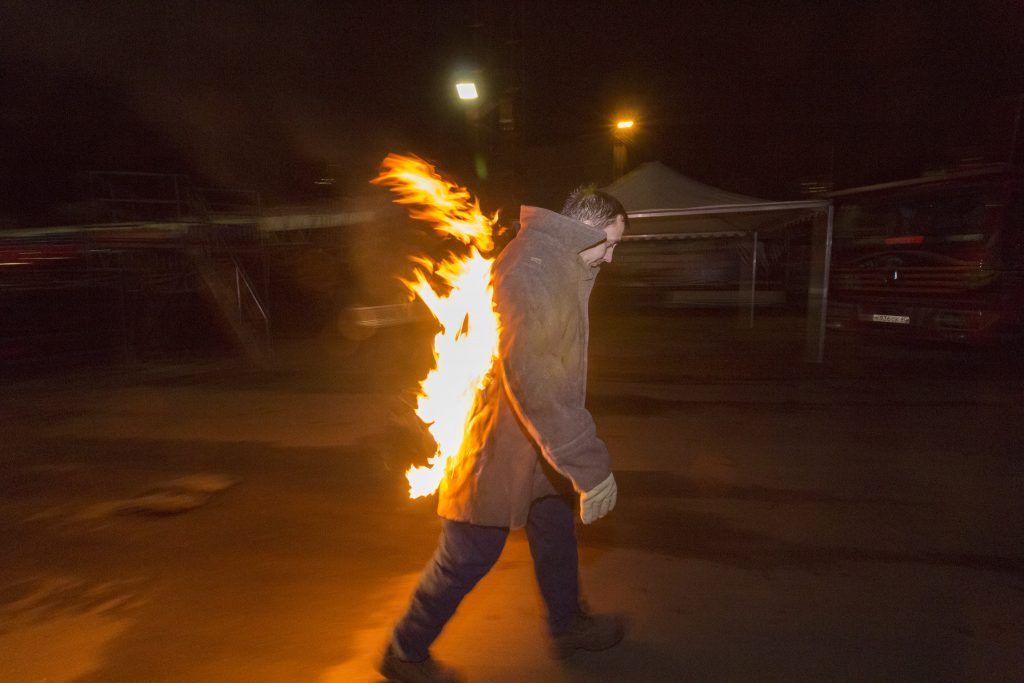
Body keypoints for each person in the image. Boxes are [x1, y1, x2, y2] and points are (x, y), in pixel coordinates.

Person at [379, 187, 628, 683]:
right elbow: (533, 373)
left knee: (555, 532)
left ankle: (567, 625)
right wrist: (586, 461)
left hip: (538, 444)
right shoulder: (533, 267)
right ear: (584, 229)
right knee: (468, 554)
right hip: (501, 443)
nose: (612, 256)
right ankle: (404, 653)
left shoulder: (561, 260)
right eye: (610, 243)